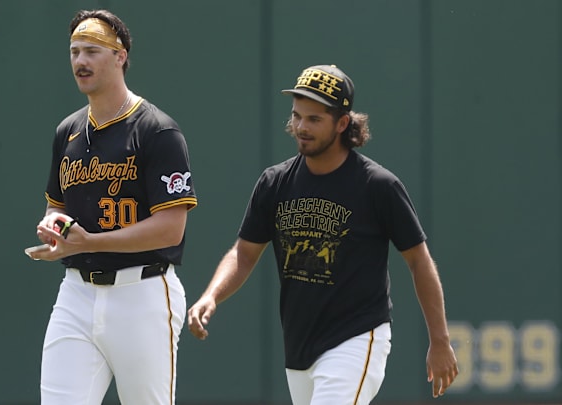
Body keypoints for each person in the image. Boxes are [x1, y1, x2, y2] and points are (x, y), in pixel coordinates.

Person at [187, 64, 458, 404]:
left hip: (357, 338)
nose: (301, 127)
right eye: (297, 116)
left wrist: (440, 340)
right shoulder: (275, 182)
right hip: (299, 347)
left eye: (314, 119)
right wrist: (212, 295)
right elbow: (244, 253)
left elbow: (419, 262)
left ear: (343, 124)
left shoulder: (378, 186)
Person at [25, 9, 197, 405]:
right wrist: (55, 227)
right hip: (76, 295)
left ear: (120, 56)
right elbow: (55, 206)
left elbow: (172, 228)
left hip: (143, 292)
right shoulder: (67, 131)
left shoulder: (157, 130)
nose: (80, 62)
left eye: (92, 51)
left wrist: (90, 242)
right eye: (74, 52)